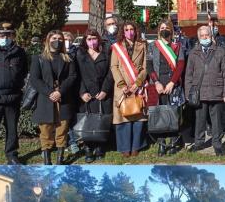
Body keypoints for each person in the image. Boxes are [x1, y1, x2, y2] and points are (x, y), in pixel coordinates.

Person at [29, 30, 79, 165]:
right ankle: (47, 160)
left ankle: (60, 160)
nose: (57, 41)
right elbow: (35, 79)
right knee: (45, 131)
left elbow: (72, 76)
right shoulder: (38, 58)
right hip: (46, 99)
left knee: (62, 130)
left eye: (60, 38)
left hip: (64, 99)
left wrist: (60, 91)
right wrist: (50, 92)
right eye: (54, 38)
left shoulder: (68, 58)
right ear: (48, 40)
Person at [0, 21, 27, 165]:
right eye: (1, 34)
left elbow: (24, 72)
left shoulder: (20, 53)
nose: (4, 37)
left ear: (12, 36)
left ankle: (12, 156)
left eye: (8, 35)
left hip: (12, 97)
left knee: (12, 130)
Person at [185, 25, 225, 156]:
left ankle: (217, 144)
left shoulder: (220, 51)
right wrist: (188, 92)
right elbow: (188, 75)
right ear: (198, 37)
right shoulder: (193, 53)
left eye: (207, 35)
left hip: (216, 91)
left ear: (211, 36)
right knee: (199, 120)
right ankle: (199, 142)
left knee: (216, 121)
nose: (205, 38)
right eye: (202, 36)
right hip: (199, 92)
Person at [147, 19, 186, 156]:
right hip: (157, 85)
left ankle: (174, 142)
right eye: (162, 27)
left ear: (171, 30)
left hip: (173, 84)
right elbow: (149, 65)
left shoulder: (178, 46)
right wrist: (156, 82)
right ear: (159, 30)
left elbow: (180, 65)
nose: (164, 30)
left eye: (167, 27)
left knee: (174, 113)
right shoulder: (153, 46)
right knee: (160, 114)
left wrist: (172, 83)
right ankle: (162, 143)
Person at [110, 21, 149, 158]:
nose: (130, 32)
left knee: (138, 115)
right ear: (123, 31)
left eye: (132, 29)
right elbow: (114, 66)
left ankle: (136, 146)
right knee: (123, 117)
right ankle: (125, 147)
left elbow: (145, 67)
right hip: (122, 87)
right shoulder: (117, 47)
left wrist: (137, 83)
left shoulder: (142, 45)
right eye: (126, 30)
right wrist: (122, 84)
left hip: (137, 86)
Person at [76, 29, 114, 162]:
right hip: (86, 95)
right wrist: (82, 92)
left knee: (101, 119)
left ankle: (100, 147)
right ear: (85, 41)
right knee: (87, 121)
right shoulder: (80, 54)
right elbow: (77, 75)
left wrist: (105, 90)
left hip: (103, 94)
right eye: (89, 39)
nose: (92, 42)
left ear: (99, 39)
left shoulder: (106, 52)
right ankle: (87, 148)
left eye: (94, 38)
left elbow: (111, 73)